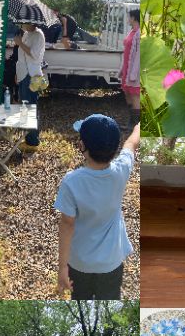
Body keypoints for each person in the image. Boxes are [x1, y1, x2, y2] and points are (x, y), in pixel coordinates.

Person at [54, 115, 139, 300]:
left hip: (80, 263)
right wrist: (140, 126)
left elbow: (67, 225)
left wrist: (62, 268)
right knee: (109, 302)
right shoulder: (121, 171)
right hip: (111, 262)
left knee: (81, 300)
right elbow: (131, 143)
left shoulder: (72, 181)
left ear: (82, 146)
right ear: (115, 148)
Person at [14, 20, 45, 149]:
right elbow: (21, 57)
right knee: (25, 106)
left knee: (30, 107)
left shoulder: (38, 35)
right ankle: (28, 138)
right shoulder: (26, 33)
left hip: (32, 76)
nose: (21, 24)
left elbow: (34, 55)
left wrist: (20, 43)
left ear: (31, 22)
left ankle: (32, 141)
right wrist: (17, 73)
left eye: (23, 22)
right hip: (24, 74)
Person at [121, 7, 141, 133]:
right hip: (127, 69)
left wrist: (134, 74)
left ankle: (135, 125)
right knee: (127, 94)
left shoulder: (139, 34)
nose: (128, 19)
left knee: (135, 97)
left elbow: (139, 56)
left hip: (134, 71)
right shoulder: (132, 32)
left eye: (129, 17)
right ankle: (131, 121)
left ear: (133, 18)